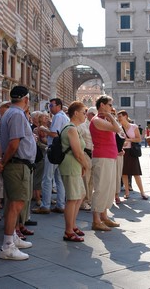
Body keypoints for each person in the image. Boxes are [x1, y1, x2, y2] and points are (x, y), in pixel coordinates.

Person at [0, 85, 35, 260]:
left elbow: (5, 142)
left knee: (12, 204)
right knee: (16, 204)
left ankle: (12, 238)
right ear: (26, 99)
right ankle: (8, 246)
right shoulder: (16, 114)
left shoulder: (8, 113)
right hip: (18, 165)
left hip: (15, 164)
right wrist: (3, 161)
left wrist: (2, 161)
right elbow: (14, 143)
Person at [32, 98, 69, 214]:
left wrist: (44, 129)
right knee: (59, 179)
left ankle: (45, 206)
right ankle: (60, 204)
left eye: (52, 105)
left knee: (47, 179)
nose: (50, 108)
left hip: (53, 150)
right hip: (61, 151)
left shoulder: (58, 116)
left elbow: (54, 134)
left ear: (58, 106)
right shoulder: (64, 117)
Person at [90, 95, 121, 231]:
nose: (111, 107)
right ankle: (96, 220)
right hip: (102, 157)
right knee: (101, 187)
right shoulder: (96, 120)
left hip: (109, 156)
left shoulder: (103, 120)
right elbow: (117, 128)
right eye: (109, 104)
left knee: (109, 187)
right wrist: (110, 115)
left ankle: (104, 216)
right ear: (102, 105)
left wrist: (108, 115)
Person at [60, 101, 89, 242]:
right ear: (76, 113)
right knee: (72, 198)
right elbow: (77, 152)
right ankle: (68, 231)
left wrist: (82, 166)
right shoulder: (71, 128)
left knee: (80, 195)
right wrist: (86, 165)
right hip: (71, 166)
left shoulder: (74, 128)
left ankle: (72, 225)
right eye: (84, 112)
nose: (85, 115)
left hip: (75, 166)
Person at [117, 110, 147, 200]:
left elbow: (139, 139)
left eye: (120, 116)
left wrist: (129, 140)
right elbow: (118, 142)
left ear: (125, 116)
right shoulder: (119, 128)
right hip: (124, 152)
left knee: (136, 173)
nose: (118, 119)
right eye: (118, 117)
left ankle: (142, 192)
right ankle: (127, 192)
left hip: (132, 152)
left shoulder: (134, 127)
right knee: (124, 173)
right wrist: (123, 144)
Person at [77, 106, 96, 211]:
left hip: (95, 154)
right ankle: (83, 201)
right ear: (88, 114)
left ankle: (89, 200)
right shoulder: (82, 126)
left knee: (92, 180)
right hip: (86, 153)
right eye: (92, 114)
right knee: (85, 178)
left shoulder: (97, 125)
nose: (94, 116)